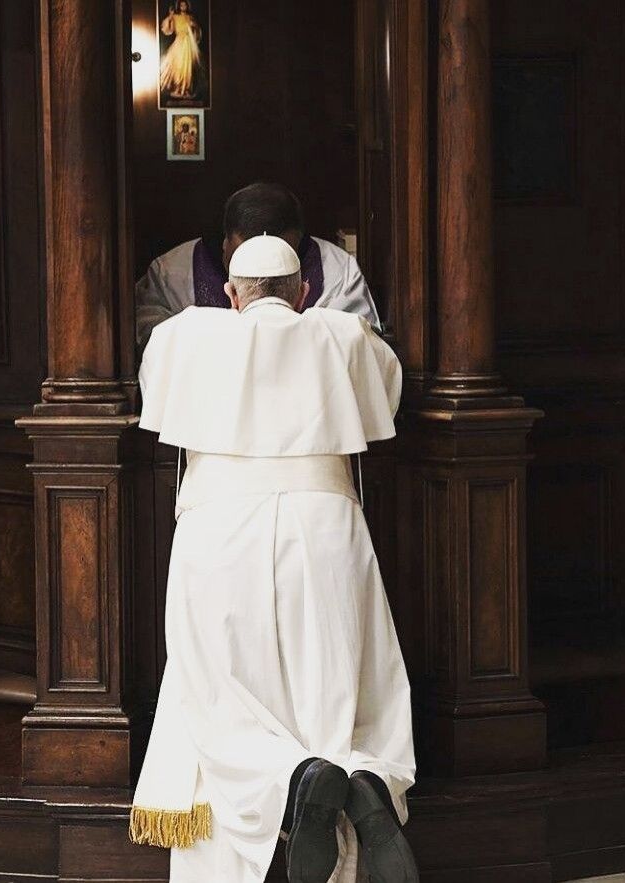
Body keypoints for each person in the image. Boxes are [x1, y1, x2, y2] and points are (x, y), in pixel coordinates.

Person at [130, 234, 418, 883]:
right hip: (324, 521)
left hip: (218, 525)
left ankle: (288, 780)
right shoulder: (343, 336)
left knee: (218, 690)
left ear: (232, 294)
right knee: (339, 676)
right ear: (305, 292)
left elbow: (152, 388)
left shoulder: (184, 334)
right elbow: (389, 393)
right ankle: (363, 775)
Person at [135, 182, 380, 349]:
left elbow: (361, 344)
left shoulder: (337, 270)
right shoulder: (173, 271)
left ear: (298, 241)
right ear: (225, 243)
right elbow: (150, 337)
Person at [160, 1, 203, 101]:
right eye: (181, 5)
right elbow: (168, 29)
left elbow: (197, 32)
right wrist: (170, 17)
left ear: (187, 6)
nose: (183, 7)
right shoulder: (175, 16)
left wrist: (194, 26)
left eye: (185, 5)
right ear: (179, 6)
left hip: (188, 44)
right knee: (178, 66)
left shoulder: (190, 17)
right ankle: (178, 89)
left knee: (187, 68)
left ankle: (186, 89)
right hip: (179, 42)